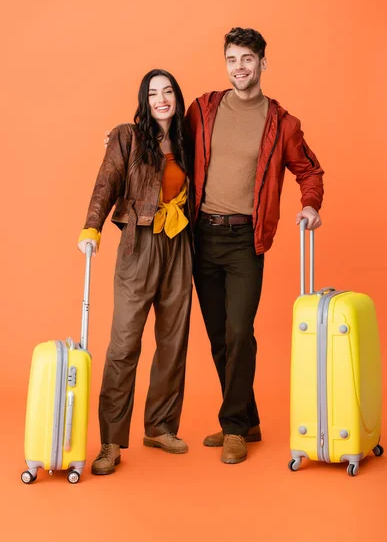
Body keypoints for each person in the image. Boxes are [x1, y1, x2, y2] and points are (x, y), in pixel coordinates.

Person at [104, 27, 324, 466]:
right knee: (220, 337)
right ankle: (250, 417)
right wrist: (120, 142)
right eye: (232, 59)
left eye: (247, 59)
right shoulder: (204, 109)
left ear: (263, 63)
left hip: (247, 240)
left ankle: (235, 428)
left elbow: (310, 171)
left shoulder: (283, 124)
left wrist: (310, 206)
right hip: (201, 238)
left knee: (241, 332)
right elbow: (161, 139)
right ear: (226, 64)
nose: (239, 67)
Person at [78, 69, 194, 475]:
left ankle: (160, 427)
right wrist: (91, 227)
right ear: (145, 101)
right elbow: (105, 183)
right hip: (137, 243)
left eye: (168, 92)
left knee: (173, 341)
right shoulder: (126, 136)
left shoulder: (189, 139)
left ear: (177, 97)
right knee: (124, 343)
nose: (161, 99)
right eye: (153, 93)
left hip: (179, 243)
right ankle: (110, 440)